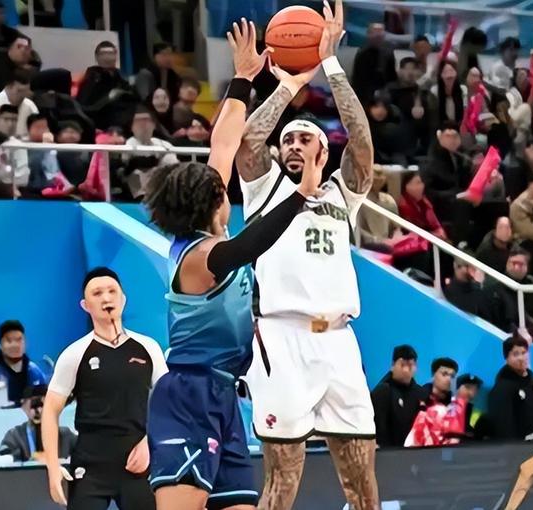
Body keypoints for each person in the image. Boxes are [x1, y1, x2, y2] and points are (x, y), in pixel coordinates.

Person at [144, 20, 322, 510]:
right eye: (223, 193)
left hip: (224, 396)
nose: (229, 194)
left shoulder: (208, 231)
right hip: (188, 394)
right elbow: (249, 246)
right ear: (210, 205)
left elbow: (222, 144)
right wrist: (300, 196)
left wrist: (244, 78)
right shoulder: (200, 258)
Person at [235, 2, 379, 508]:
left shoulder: (343, 192)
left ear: (324, 151)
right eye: (288, 140)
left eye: (305, 139)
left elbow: (362, 143)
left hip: (338, 340)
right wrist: (289, 86)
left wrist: (332, 64)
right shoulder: (266, 187)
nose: (294, 145)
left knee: (362, 480)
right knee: (283, 478)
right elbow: (248, 143)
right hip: (282, 338)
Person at [42, 267, 167, 510]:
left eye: (112, 291)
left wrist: (150, 442)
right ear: (85, 305)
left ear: (123, 299)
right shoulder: (74, 354)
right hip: (90, 465)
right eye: (97, 293)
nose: (106, 298)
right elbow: (50, 409)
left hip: (137, 462)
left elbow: (170, 402)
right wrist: (53, 467)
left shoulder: (148, 348)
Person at [488, 335, 533, 441]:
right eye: (515, 354)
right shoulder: (501, 390)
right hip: (520, 446)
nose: (521, 358)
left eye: (524, 353)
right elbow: (503, 427)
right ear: (506, 358)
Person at [370, 345, 428, 448]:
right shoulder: (382, 392)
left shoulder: (421, 394)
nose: (406, 370)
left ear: (416, 367)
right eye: (402, 364)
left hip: (414, 453)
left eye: (410, 365)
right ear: (393, 365)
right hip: (387, 452)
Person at [0, 320, 46, 406]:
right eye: (9, 341)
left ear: (25, 343)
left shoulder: (34, 371)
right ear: (0, 345)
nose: (15, 345)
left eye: (19, 340)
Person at [404, 357, 469, 447]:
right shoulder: (417, 399)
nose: (449, 379)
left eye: (452, 376)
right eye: (444, 374)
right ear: (433, 375)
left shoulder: (456, 406)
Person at [0, 384, 75, 461]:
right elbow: (4, 459)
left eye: (42, 405)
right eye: (34, 405)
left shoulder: (66, 436)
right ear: (24, 407)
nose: (39, 410)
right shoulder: (15, 436)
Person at [123, 105, 179, 200]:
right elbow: (135, 164)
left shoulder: (164, 144)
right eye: (138, 121)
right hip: (138, 192)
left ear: (154, 125)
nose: (143, 124)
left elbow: (173, 166)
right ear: (131, 126)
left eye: (147, 120)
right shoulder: (128, 144)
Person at [0, 69, 38, 138]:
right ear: (8, 87)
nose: (22, 96)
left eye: (25, 92)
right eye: (20, 91)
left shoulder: (30, 106)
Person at [351, 22, 397, 103]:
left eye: (381, 32)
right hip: (365, 95)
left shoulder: (388, 52)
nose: (378, 35)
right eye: (375, 32)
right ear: (368, 35)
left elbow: (392, 77)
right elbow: (358, 81)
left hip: (386, 93)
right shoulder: (362, 54)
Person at [358, 168, 400, 250]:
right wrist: (376, 240)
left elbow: (396, 227)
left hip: (389, 243)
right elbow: (357, 230)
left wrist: (396, 238)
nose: (378, 181)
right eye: (375, 178)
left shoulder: (388, 200)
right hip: (367, 245)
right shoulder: (360, 201)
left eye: (381, 177)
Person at [0, 103, 29, 194]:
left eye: (14, 120)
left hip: (9, 190)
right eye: (6, 119)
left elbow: (23, 177)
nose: (10, 124)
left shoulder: (19, 145)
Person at [456, 373, 483, 439]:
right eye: (467, 387)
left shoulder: (475, 413)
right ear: (457, 388)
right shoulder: (445, 409)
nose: (471, 392)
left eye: (475, 389)